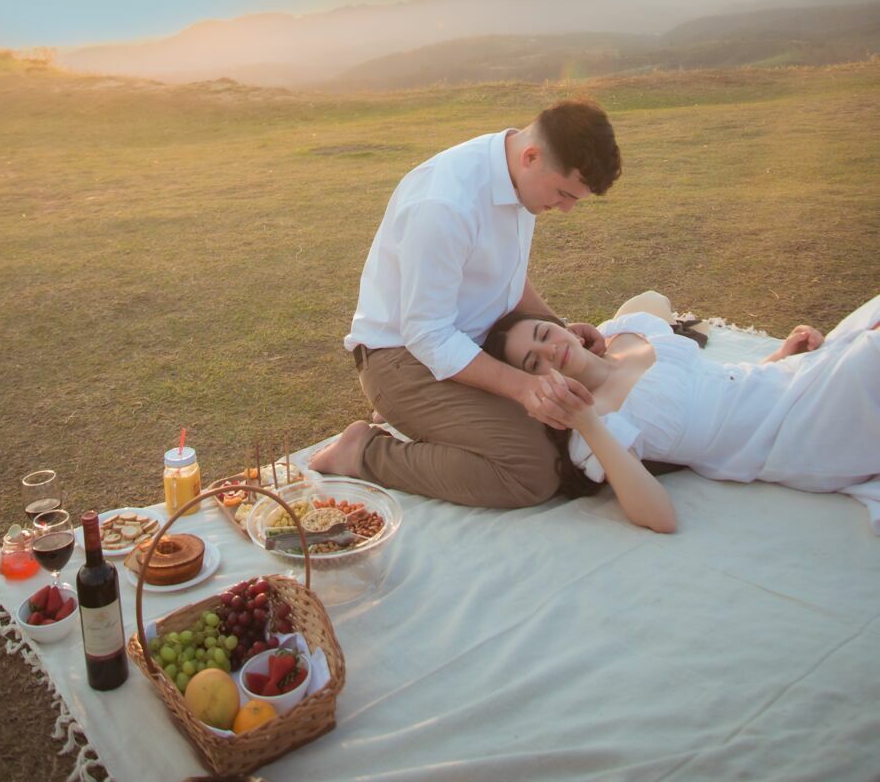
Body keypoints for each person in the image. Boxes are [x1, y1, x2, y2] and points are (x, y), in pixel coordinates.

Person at [309, 102, 623, 508]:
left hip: (467, 340)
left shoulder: (518, 177)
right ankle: (363, 453)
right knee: (532, 470)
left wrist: (558, 328)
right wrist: (523, 388)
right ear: (531, 156)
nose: (566, 208)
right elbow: (428, 335)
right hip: (400, 357)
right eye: (564, 194)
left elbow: (506, 275)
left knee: (574, 414)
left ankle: (436, 416)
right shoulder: (445, 204)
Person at [482, 291, 880, 533]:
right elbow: (661, 518)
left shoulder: (626, 333)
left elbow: (658, 306)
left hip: (788, 379)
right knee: (872, 352)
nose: (551, 351)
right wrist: (587, 423)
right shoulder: (597, 422)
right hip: (793, 433)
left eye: (545, 333)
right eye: (535, 363)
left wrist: (780, 357)